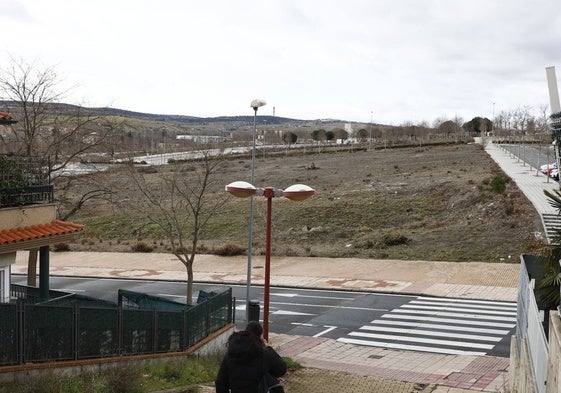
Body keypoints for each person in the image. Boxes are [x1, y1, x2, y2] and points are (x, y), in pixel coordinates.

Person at [215, 322, 286, 393]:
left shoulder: (231, 354)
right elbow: (281, 370)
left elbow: (221, 383)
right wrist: (267, 348)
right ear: (260, 337)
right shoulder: (263, 354)